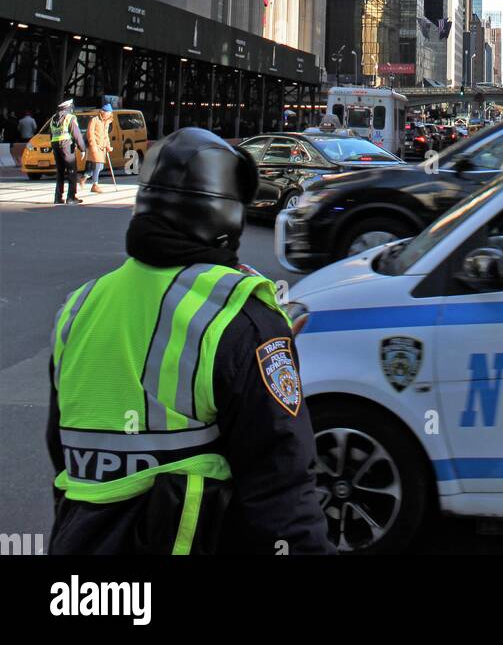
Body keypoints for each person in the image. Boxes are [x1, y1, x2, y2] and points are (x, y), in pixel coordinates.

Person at [46, 127, 334, 556]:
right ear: (226, 219)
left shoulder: (78, 308)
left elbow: (63, 453)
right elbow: (283, 489)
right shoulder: (239, 316)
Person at [50, 99, 86, 205]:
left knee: (60, 173)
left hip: (56, 147)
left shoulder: (53, 118)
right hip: (66, 146)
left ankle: (57, 197)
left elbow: (51, 135)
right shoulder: (69, 117)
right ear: (69, 107)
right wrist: (82, 149)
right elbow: (76, 134)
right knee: (71, 172)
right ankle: (71, 198)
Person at [85, 104, 113, 194]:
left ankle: (85, 176)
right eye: (108, 112)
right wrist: (93, 146)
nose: (109, 114)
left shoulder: (106, 122)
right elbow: (90, 134)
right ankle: (95, 185)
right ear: (103, 112)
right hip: (95, 147)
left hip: (102, 148)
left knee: (100, 167)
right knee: (97, 166)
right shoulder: (94, 120)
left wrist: (108, 145)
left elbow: (106, 135)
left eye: (110, 113)